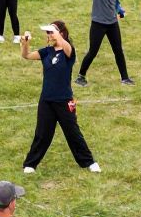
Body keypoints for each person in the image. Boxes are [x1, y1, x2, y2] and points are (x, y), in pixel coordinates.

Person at [20, 21, 99, 173]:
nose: (49, 35)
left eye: (51, 32)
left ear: (61, 33)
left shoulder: (68, 51)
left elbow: (67, 47)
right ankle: (30, 164)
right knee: (42, 133)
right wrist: (25, 44)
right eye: (48, 33)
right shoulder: (46, 52)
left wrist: (58, 35)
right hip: (46, 100)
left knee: (73, 133)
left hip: (64, 101)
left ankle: (88, 162)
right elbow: (27, 55)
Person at [76, 0, 133, 87]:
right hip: (99, 23)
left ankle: (125, 78)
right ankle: (81, 76)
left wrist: (119, 10)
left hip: (112, 23)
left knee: (118, 50)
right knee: (93, 51)